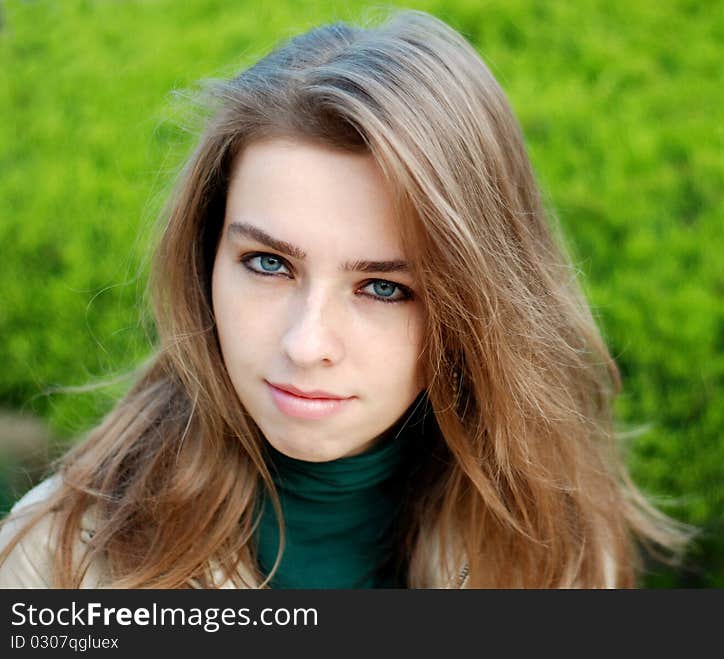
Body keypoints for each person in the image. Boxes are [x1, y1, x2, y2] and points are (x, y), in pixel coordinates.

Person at [0, 9, 689, 588]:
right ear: (205, 256)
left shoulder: (552, 550)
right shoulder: (58, 562)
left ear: (477, 307)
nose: (305, 344)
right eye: (268, 263)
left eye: (384, 287)